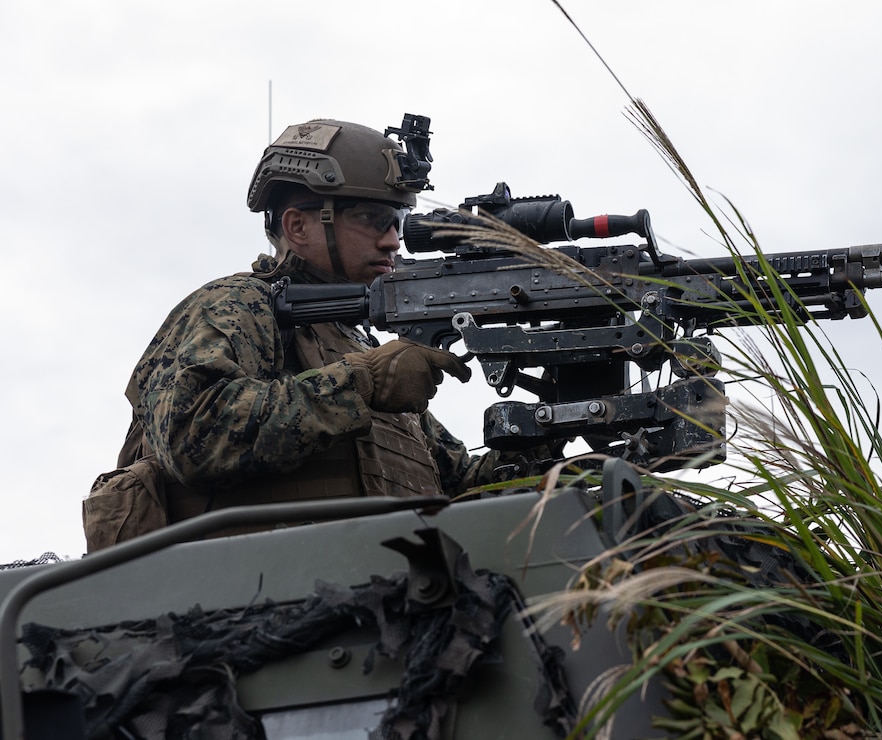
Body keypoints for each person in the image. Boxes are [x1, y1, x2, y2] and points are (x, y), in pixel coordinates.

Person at [83, 116, 557, 552]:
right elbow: (191, 434)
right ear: (299, 225)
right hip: (252, 609)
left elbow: (462, 488)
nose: (393, 240)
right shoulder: (239, 306)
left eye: (397, 222)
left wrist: (557, 418)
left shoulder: (358, 345)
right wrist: (362, 382)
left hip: (391, 605)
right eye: (373, 220)